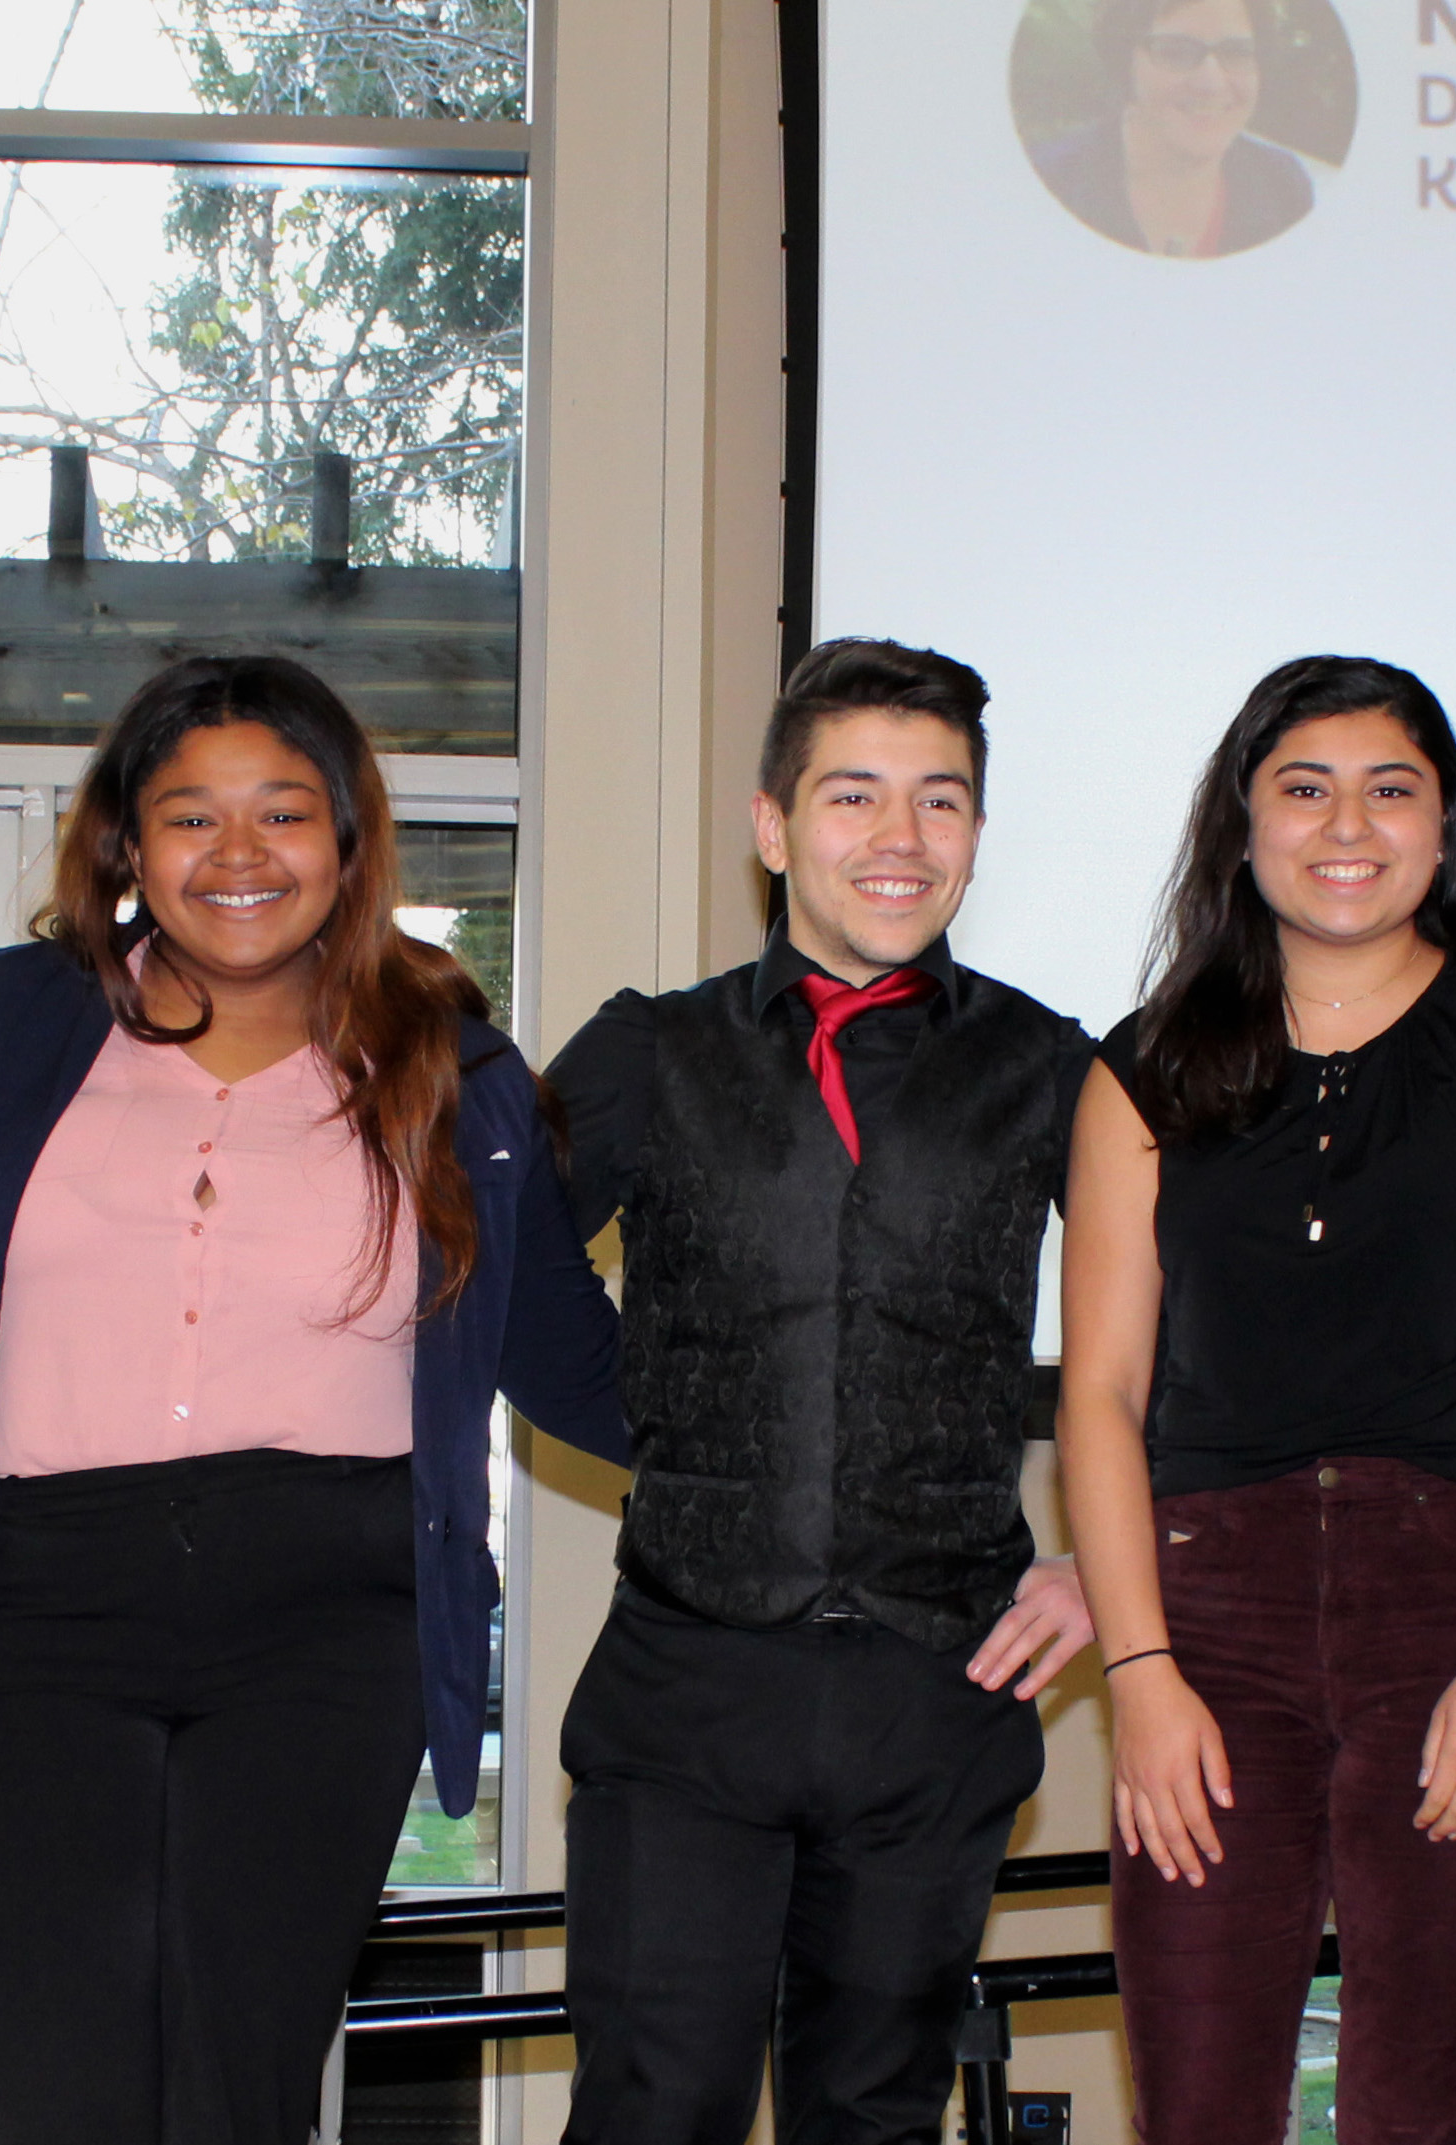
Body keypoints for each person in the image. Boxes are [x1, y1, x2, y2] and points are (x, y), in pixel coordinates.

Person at [0, 654, 627, 2145]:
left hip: (323, 1631)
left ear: (348, 844)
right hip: (23, 1619)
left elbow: (574, 1369)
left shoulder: (455, 1068)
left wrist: (837, 1447)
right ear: (125, 849)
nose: (236, 856)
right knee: (39, 2100)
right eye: (189, 817)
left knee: (240, 2094)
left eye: (281, 814)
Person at [1055, 654, 1456, 2144]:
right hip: (1208, 1639)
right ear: (1241, 826)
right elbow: (1102, 1402)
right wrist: (1138, 1677)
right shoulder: (1141, 1073)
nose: (1349, 825)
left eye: (1393, 790)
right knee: (1196, 2101)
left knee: (1412, 2104)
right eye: (1304, 787)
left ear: (1443, 830)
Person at [544, 637, 1100, 2145]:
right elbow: (497, 1278)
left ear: (977, 832)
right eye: (855, 797)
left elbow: (1191, 1335)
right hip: (687, 1688)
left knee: (874, 2114)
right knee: (655, 2111)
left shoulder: (1055, 1069)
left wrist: (1118, 1561)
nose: (900, 840)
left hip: (940, 1691)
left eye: (941, 802)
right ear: (775, 825)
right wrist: (661, 1425)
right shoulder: (647, 1050)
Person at [1029, 0, 1317, 258]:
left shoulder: (1284, 189)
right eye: (1176, 52)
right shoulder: (1045, 185)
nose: (1211, 84)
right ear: (1124, 60)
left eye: (1236, 52)